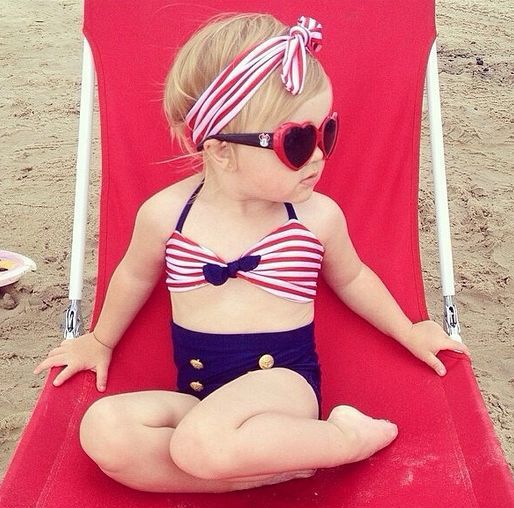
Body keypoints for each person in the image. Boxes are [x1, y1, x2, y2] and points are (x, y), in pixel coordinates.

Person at [33, 12, 471, 494]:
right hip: (200, 397)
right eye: (298, 142)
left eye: (327, 131)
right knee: (104, 431)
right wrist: (100, 340)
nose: (320, 155)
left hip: (280, 387)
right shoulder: (166, 215)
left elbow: (353, 279)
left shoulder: (314, 217)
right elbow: (134, 277)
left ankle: (343, 438)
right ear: (222, 151)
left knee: (199, 444)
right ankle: (261, 471)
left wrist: (409, 329)